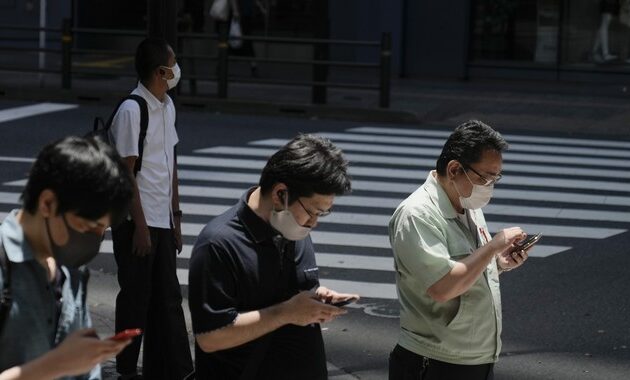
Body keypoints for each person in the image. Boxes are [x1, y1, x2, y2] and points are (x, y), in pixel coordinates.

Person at [188, 134, 359, 379]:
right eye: (312, 212)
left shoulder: (293, 228)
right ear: (281, 194)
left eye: (323, 213)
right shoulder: (218, 243)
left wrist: (316, 300)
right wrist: (286, 313)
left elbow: (289, 294)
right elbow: (210, 337)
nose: (314, 223)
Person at [388, 120, 532, 380]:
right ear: (454, 169)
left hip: (475, 356)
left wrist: (498, 263)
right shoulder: (417, 215)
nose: (489, 186)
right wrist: (491, 248)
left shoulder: (467, 204)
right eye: (484, 177)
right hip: (435, 360)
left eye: (495, 178)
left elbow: (466, 267)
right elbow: (443, 287)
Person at [0, 136, 134, 380]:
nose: (94, 240)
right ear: (47, 203)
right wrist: (54, 366)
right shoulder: (5, 265)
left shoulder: (69, 271)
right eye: (87, 226)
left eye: (102, 230)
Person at [110, 37, 193, 380]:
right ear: (161, 71)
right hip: (136, 222)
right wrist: (141, 227)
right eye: (173, 65)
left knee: (167, 299)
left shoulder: (167, 106)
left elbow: (170, 164)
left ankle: (174, 370)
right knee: (135, 301)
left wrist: (175, 217)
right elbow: (126, 173)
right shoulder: (133, 110)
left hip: (161, 217)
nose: (176, 71)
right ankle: (126, 369)